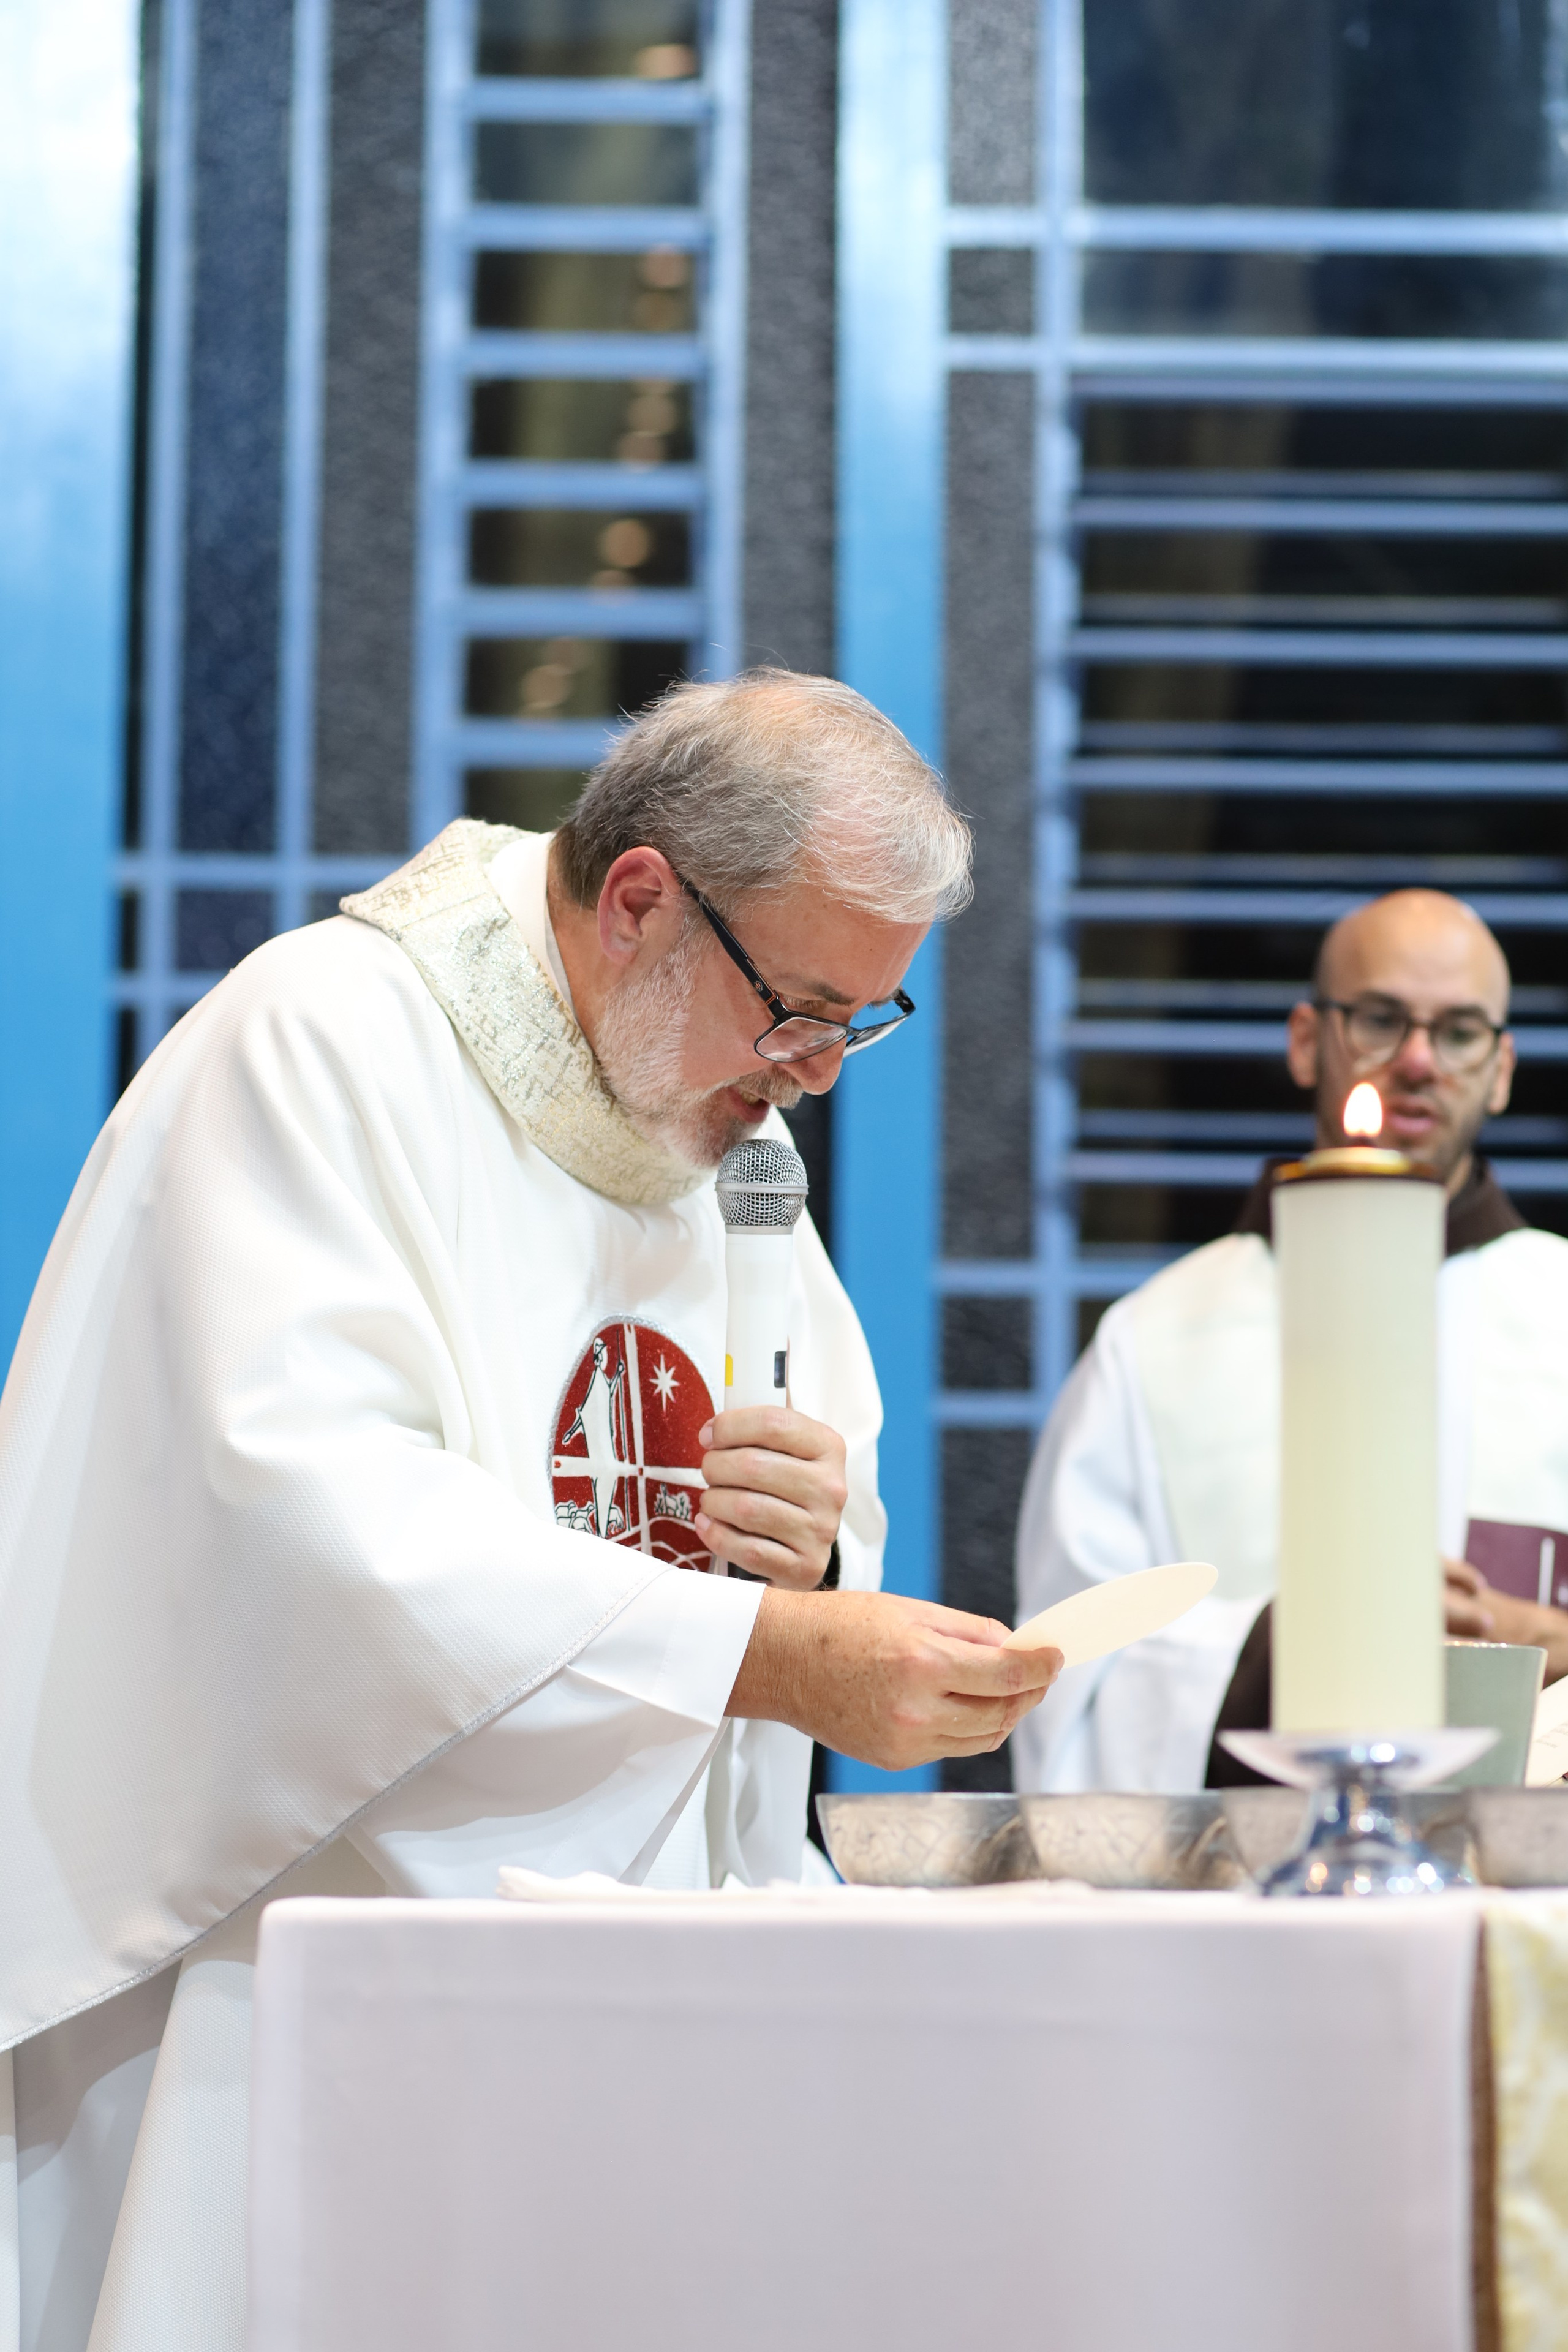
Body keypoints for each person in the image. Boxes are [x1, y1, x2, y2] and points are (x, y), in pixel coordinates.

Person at [0, 670, 1062, 2352]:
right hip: (291, 1970)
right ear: (643, 897)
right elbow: (305, 1525)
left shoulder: (692, 1124)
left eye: (859, 1024)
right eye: (799, 1009)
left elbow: (810, 1451)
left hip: (620, 2004)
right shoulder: (322, 1049)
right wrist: (758, 1647)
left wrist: (807, 1534)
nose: (814, 1075)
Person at [1012, 887, 1568, 1797]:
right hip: (1258, 1906)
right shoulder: (1157, 1341)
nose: (1421, 1061)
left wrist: (1543, 1642)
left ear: (1503, 1068)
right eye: (1382, 1020)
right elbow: (1064, 1678)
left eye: (1461, 1030)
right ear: (1307, 1041)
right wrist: (1284, 1648)